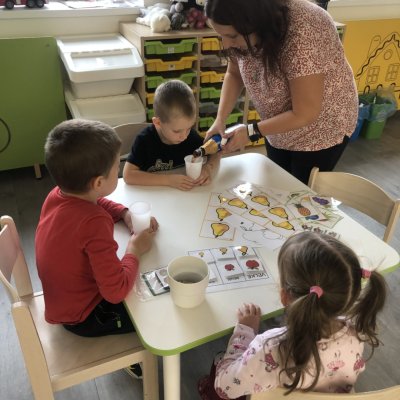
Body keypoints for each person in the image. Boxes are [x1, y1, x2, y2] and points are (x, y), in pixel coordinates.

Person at [35, 119, 158, 379]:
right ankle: (127, 356)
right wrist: (134, 249)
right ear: (99, 182)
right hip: (84, 317)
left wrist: (124, 213)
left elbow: (97, 202)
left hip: (61, 300)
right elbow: (115, 291)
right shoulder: (93, 223)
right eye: (117, 167)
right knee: (154, 308)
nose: (120, 169)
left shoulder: (58, 193)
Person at [198, 231, 387, 398]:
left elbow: (225, 387)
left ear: (284, 296)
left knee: (220, 361)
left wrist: (245, 332)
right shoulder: (357, 331)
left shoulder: (271, 347)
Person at [204, 0, 358, 184]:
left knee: (300, 191)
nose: (226, 44)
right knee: (278, 183)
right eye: (221, 35)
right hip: (279, 125)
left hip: (321, 128)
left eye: (232, 36)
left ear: (257, 22)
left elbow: (305, 113)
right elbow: (234, 74)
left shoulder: (304, 28)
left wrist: (252, 131)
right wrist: (220, 119)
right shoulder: (245, 26)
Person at [123, 79, 220, 191]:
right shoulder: (144, 141)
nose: (184, 136)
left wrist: (208, 168)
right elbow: (128, 175)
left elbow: (216, 150)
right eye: (177, 131)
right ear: (158, 123)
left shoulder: (191, 137)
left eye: (189, 128)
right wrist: (169, 180)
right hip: (154, 195)